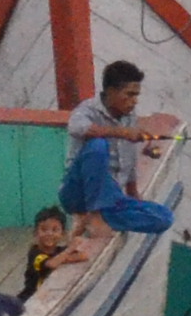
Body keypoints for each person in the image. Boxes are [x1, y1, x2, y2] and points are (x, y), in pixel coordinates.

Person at [60, 62, 180, 239]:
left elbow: (128, 159)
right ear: (110, 92)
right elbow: (77, 127)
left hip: (111, 196)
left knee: (164, 218)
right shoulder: (88, 110)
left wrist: (133, 194)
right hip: (78, 192)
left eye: (137, 95)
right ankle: (94, 215)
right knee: (97, 146)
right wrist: (122, 133)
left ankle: (98, 217)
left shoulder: (129, 116)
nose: (134, 100)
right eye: (129, 94)